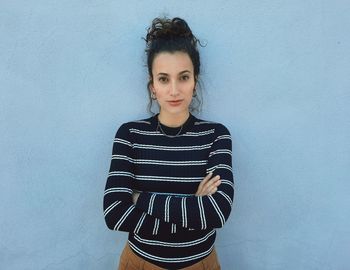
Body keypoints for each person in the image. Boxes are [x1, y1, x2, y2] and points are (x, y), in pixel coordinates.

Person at [103, 16, 234, 270]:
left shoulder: (216, 136)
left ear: (195, 81)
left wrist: (139, 197)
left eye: (183, 77)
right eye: (164, 79)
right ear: (153, 86)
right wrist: (191, 212)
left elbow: (216, 213)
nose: (174, 90)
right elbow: (114, 214)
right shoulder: (130, 135)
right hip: (140, 264)